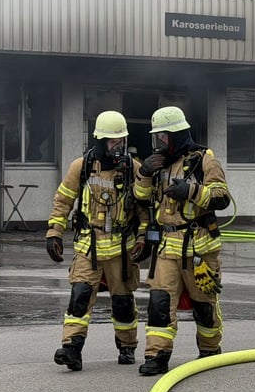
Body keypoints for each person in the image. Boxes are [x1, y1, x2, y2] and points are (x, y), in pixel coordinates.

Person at [45, 110, 148, 371]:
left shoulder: (134, 168)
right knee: (79, 297)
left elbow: (144, 209)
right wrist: (54, 232)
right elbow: (63, 201)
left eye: (121, 141)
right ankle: (71, 349)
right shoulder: (81, 167)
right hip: (88, 246)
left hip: (122, 248)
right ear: (100, 141)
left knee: (123, 301)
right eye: (112, 141)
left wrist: (143, 237)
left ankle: (127, 346)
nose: (118, 146)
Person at [133, 105, 232, 376]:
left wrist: (191, 190)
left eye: (162, 137)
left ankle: (210, 352)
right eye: (157, 138)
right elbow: (141, 198)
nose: (159, 143)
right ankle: (157, 356)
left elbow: (222, 197)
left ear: (176, 135)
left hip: (199, 247)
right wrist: (144, 174)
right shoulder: (158, 162)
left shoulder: (204, 159)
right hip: (167, 246)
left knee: (204, 304)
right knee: (159, 302)